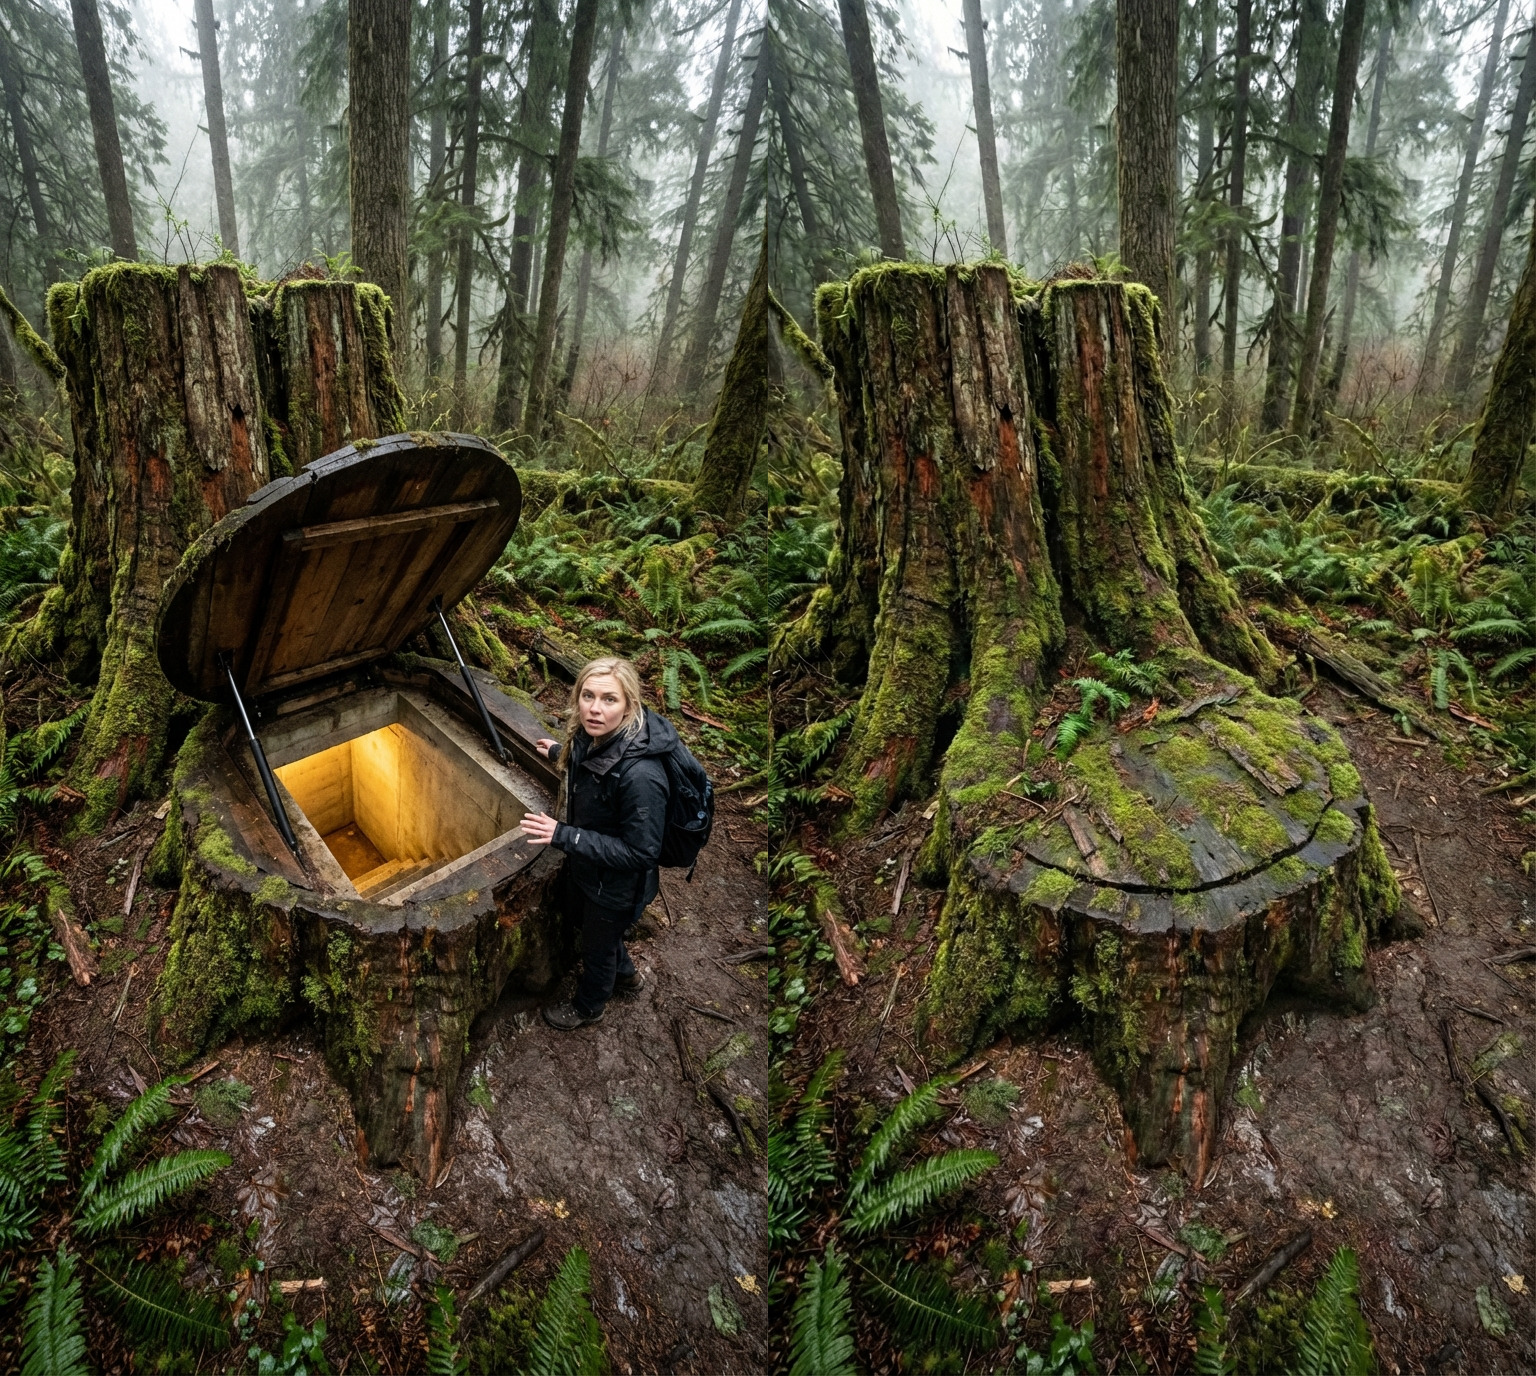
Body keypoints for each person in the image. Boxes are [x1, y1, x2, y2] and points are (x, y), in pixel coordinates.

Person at [519, 656, 678, 1030]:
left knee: (597, 947)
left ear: (629, 706)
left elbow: (641, 852)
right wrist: (560, 753)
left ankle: (591, 1006)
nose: (594, 708)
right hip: (593, 874)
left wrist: (564, 834)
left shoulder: (642, 776)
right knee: (596, 935)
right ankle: (626, 975)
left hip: (617, 888)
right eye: (587, 696)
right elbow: (593, 768)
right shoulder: (594, 737)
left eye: (609, 700)